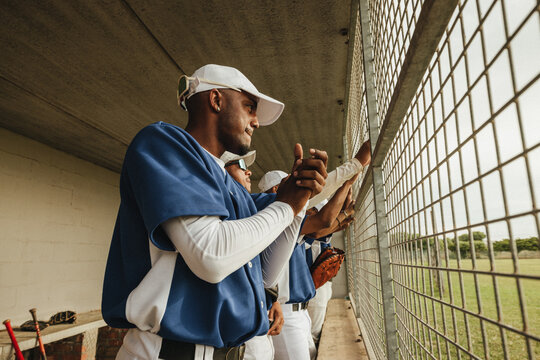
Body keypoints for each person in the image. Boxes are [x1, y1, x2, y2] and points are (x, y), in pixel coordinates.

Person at [101, 64, 329, 360]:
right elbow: (210, 255)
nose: (256, 122)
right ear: (216, 99)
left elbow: (265, 275)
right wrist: (285, 207)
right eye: (249, 106)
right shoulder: (164, 143)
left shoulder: (231, 186)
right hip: (168, 352)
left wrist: (298, 203)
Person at [259, 143, 371, 360]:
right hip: (286, 311)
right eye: (287, 183)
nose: (299, 191)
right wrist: (352, 170)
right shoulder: (273, 217)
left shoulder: (284, 219)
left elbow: (325, 217)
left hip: (297, 311)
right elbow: (324, 220)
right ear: (275, 191)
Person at [221, 150, 285, 360]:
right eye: (240, 163)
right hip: (236, 339)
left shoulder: (248, 205)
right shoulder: (243, 203)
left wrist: (272, 298)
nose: (248, 172)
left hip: (262, 323)